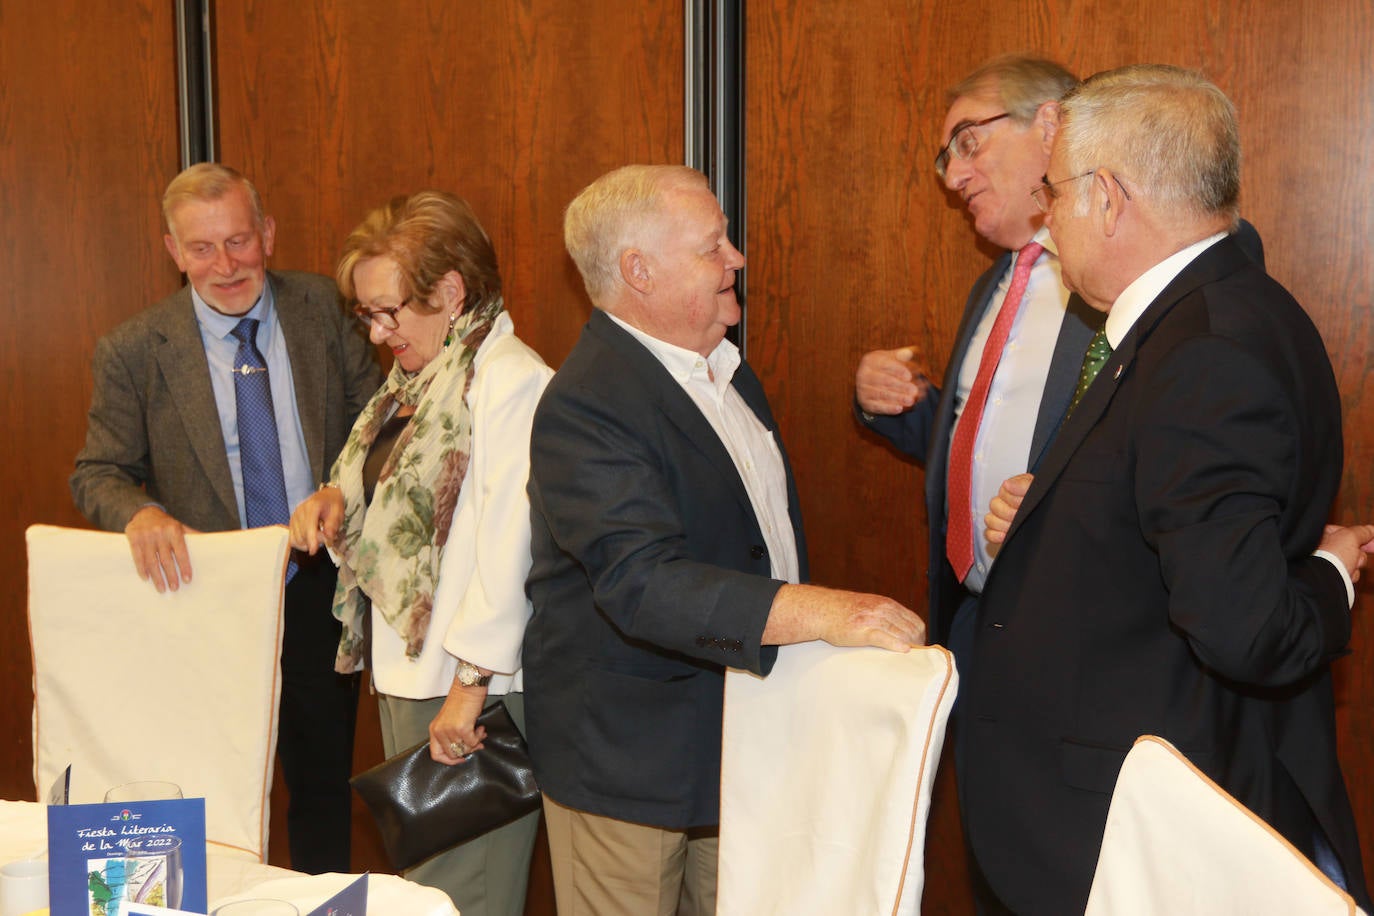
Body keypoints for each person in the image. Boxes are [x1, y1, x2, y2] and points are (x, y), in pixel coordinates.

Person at [968, 64, 1373, 914]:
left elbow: (1248, 630)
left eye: (1054, 192)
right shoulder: (1202, 315)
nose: (1046, 217)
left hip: (1138, 827)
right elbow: (1164, 520)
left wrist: (1330, 576)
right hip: (1111, 798)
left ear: (1108, 199)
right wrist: (1052, 517)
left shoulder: (1207, 352)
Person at [523, 164, 926, 915]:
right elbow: (644, 582)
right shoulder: (585, 404)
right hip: (628, 761)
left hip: (741, 742)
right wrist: (826, 612)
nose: (736, 259)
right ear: (639, 271)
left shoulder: (727, 371)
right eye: (713, 247)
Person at [70, 163, 379, 874]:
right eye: (202, 248)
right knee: (210, 791)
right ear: (173, 252)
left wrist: (339, 488)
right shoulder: (134, 349)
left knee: (323, 788)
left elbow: (380, 424)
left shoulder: (328, 310)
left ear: (267, 234)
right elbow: (97, 471)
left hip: (317, 585)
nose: (226, 265)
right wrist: (141, 512)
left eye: (238, 241)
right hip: (202, 595)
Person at [288, 190, 551, 916]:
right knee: (433, 889)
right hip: (414, 674)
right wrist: (336, 500)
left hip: (472, 687)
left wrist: (470, 688)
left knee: (466, 895)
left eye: (389, 311)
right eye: (366, 314)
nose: (378, 334)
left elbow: (511, 549)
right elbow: (393, 501)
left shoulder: (509, 379)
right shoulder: (418, 381)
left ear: (451, 291)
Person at [853, 56, 1096, 676]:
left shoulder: (1114, 281)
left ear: (1050, 126)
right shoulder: (993, 285)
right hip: (970, 620)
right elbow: (976, 444)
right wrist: (898, 402)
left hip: (1074, 632)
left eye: (968, 143)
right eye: (947, 159)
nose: (954, 176)